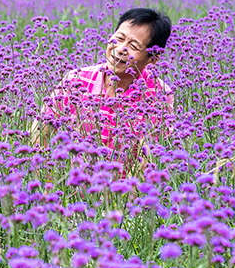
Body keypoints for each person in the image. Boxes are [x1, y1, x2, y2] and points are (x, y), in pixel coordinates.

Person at [31, 8, 174, 158]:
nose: (119, 49)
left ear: (153, 59)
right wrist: (45, 177)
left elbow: (148, 157)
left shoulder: (158, 94)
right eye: (118, 39)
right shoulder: (76, 80)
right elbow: (41, 133)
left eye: (133, 47)